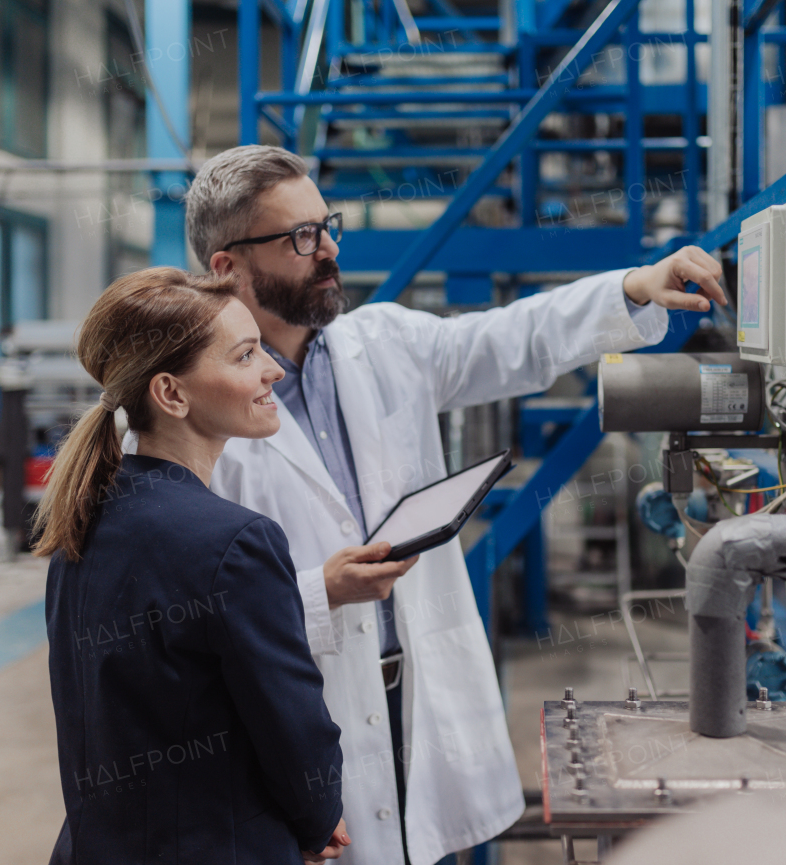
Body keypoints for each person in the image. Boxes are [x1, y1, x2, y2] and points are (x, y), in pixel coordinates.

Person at [186, 145, 728, 865]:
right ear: (227, 266)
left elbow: (515, 339)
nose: (329, 250)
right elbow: (195, 602)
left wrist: (633, 286)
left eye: (328, 225)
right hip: (309, 713)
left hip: (419, 696)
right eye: (302, 237)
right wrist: (324, 590)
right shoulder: (198, 409)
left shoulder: (383, 344)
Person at [36, 267, 358, 865]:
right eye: (244, 356)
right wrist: (314, 823)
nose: (274, 370)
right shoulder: (236, 543)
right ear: (172, 394)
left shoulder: (80, 521)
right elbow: (296, 735)